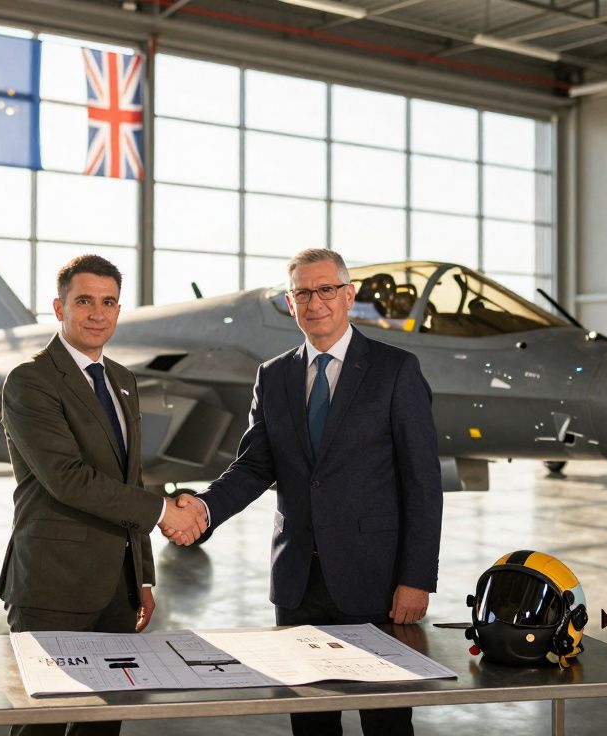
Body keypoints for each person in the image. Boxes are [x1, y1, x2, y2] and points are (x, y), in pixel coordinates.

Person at [168, 248, 442, 736]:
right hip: (298, 584)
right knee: (312, 721)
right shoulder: (274, 376)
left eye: (326, 290)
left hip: (376, 580)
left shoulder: (395, 370)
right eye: (302, 293)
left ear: (349, 296)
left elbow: (423, 483)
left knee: (387, 722)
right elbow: (255, 466)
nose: (315, 302)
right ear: (291, 302)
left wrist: (416, 578)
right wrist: (206, 507)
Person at [0, 255, 206, 736]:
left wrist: (143, 578)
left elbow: (129, 481)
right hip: (52, 588)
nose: (97, 313)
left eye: (108, 302)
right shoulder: (30, 381)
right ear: (58, 307)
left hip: (116, 589)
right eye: (84, 301)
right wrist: (165, 512)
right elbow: (66, 477)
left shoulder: (122, 381)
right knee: (43, 724)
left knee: (104, 722)